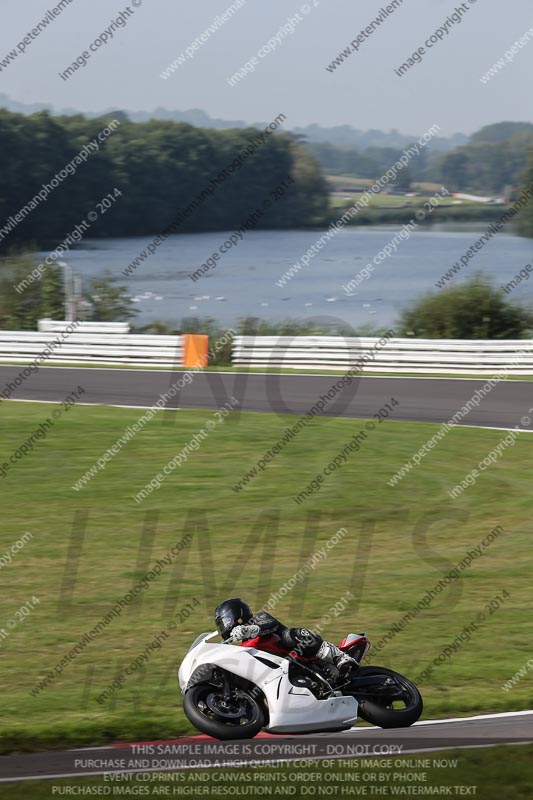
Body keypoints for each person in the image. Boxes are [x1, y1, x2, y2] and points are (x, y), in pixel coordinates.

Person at [214, 597, 358, 676]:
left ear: (235, 615)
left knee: (289, 635)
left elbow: (270, 625)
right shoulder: (244, 648)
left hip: (306, 659)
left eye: (224, 622)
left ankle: (339, 657)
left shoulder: (260, 618)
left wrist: (249, 630)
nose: (224, 627)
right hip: (284, 674)